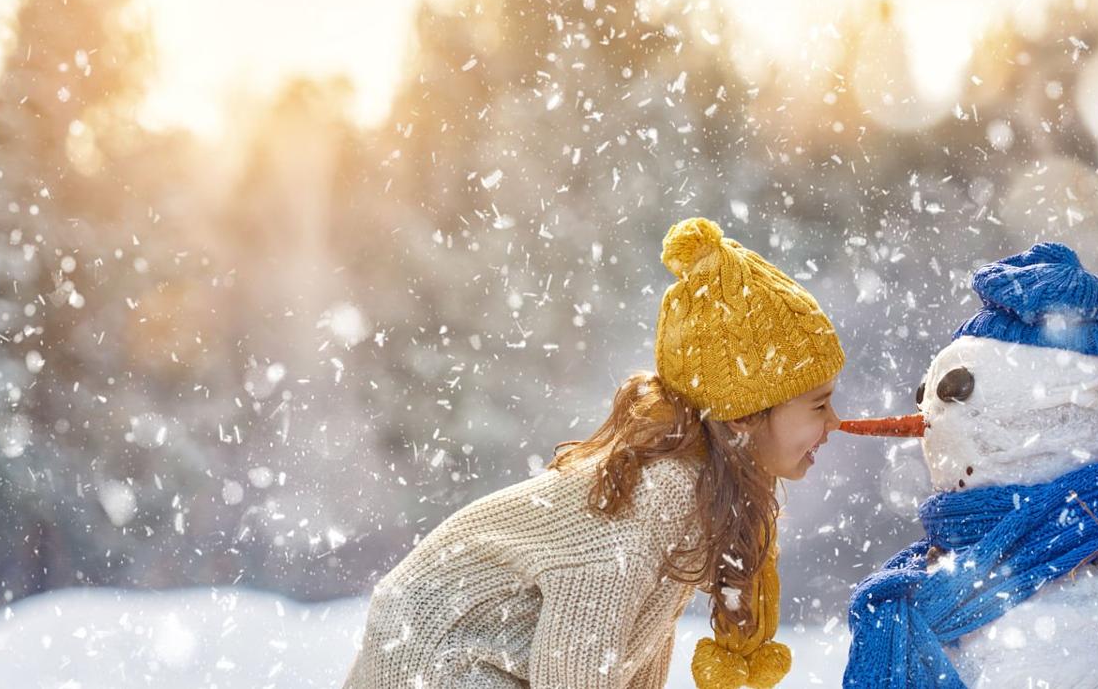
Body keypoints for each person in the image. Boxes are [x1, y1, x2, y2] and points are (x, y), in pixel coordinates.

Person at [342, 216, 845, 689]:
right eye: (819, 404)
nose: (835, 422)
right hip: (437, 656)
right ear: (744, 413)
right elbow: (580, 664)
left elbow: (633, 643)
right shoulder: (662, 491)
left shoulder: (700, 487)